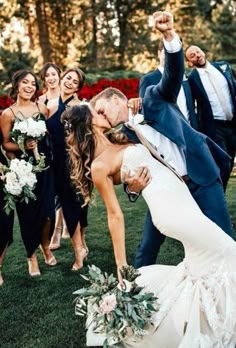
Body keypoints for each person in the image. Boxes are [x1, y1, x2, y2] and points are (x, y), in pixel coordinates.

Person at [62, 100, 236, 347]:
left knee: (205, 265)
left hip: (182, 197)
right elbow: (115, 215)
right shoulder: (99, 165)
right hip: (169, 211)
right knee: (227, 250)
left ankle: (199, 322)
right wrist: (121, 267)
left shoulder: (122, 137)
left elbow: (158, 158)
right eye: (95, 112)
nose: (101, 112)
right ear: (88, 124)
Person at [90, 14, 234, 270]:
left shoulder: (152, 98)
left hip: (200, 177)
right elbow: (122, 174)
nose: (103, 117)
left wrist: (169, 36)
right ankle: (134, 292)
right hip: (168, 190)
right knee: (148, 245)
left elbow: (172, 76)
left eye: (102, 110)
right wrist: (132, 190)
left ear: (115, 99)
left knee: (223, 240)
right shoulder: (125, 135)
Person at [1, 70, 56, 278]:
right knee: (28, 214)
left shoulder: (41, 108)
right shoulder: (8, 114)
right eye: (25, 82)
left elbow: (50, 133)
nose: (30, 86)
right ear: (16, 85)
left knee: (48, 213)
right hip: (24, 169)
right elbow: (5, 143)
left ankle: (45, 246)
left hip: (45, 166)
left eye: (33, 83)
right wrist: (22, 144)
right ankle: (31, 255)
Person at [46, 67, 89, 270]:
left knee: (74, 207)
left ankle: (79, 252)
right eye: (68, 78)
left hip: (73, 164)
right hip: (54, 164)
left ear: (78, 87)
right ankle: (80, 247)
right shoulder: (51, 104)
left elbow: (86, 138)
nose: (70, 82)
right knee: (67, 205)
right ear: (62, 78)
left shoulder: (79, 107)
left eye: (75, 82)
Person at [185, 45, 236, 190]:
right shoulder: (192, 79)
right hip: (215, 128)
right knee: (223, 164)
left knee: (230, 162)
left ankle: (219, 196)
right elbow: (190, 104)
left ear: (203, 51)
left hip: (233, 123)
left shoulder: (223, 67)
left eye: (198, 51)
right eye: (192, 55)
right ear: (189, 62)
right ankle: (219, 197)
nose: (197, 55)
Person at [39, 62, 70, 247]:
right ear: (44, 79)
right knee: (55, 190)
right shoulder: (40, 101)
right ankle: (63, 224)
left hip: (66, 149)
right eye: (47, 76)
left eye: (53, 74)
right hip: (48, 149)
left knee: (65, 188)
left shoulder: (67, 97)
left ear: (59, 75)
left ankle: (57, 232)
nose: (51, 78)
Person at [139, 40, 199, 130]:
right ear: (159, 54)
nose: (170, 57)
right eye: (165, 53)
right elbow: (145, 112)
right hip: (167, 135)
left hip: (191, 131)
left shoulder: (184, 77)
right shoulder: (148, 79)